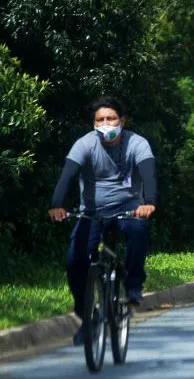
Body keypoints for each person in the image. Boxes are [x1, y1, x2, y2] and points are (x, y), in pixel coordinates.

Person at [48, 96, 156, 345]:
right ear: (94, 123)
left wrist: (148, 202)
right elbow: (67, 175)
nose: (105, 124)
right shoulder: (84, 144)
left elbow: (149, 173)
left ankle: (133, 286)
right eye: (100, 120)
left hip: (128, 208)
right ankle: (87, 316)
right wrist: (56, 205)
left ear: (122, 121)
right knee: (75, 261)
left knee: (138, 230)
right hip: (92, 211)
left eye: (111, 118)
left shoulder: (137, 143)